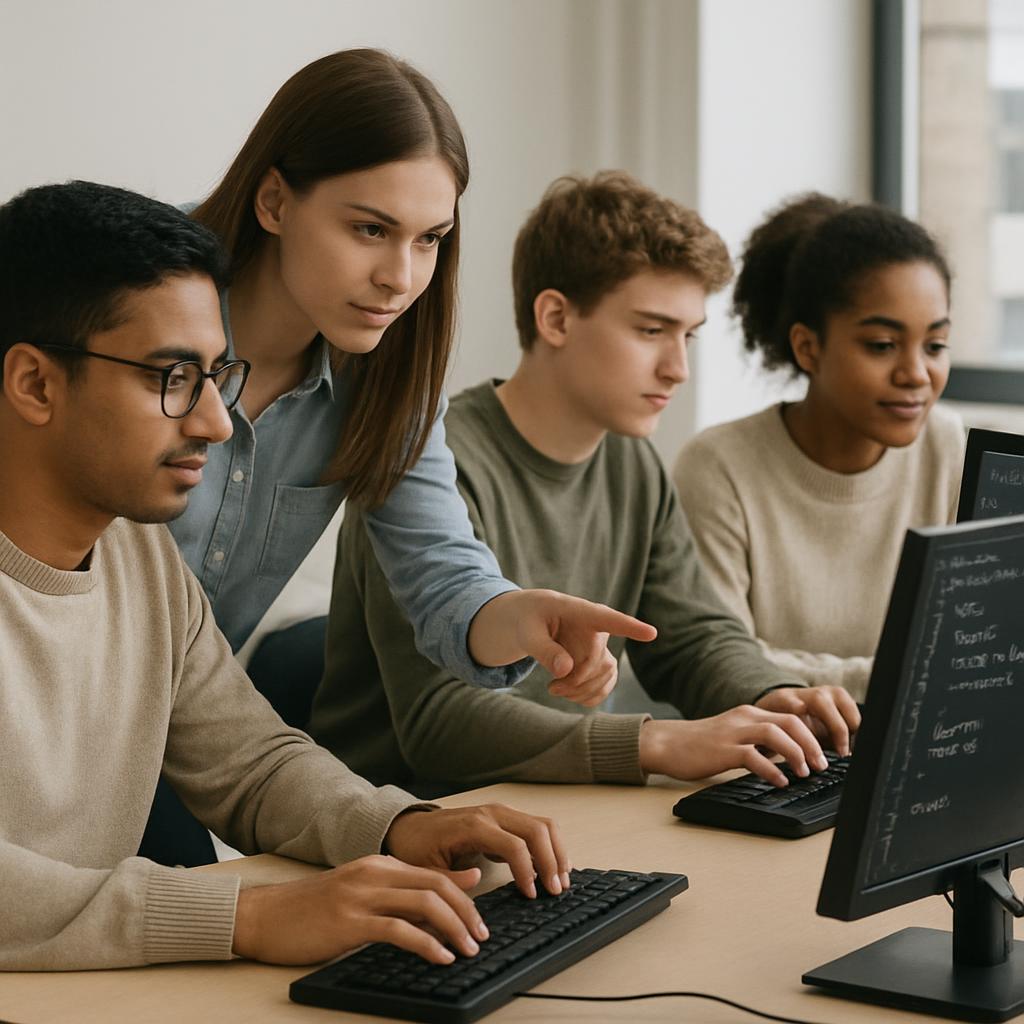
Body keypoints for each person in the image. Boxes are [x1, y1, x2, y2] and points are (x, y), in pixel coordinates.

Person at [0, 181, 572, 972]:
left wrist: (398, 826)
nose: (214, 421)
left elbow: (249, 763)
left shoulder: (139, 553)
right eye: (171, 377)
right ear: (35, 384)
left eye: (216, 376)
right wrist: (247, 914)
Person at [145, 48, 655, 865]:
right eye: (370, 229)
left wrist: (521, 619)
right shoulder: (131, 296)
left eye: (431, 241)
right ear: (274, 199)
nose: (400, 276)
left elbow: (446, 579)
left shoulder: (389, 379)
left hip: (178, 729)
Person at [307, 172, 860, 795]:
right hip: (404, 827)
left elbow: (693, 636)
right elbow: (440, 724)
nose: (678, 368)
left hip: (569, 812)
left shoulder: (633, 463)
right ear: (556, 318)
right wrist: (654, 743)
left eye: (688, 335)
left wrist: (772, 695)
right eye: (651, 330)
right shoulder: (425, 459)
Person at [673, 193, 965, 700]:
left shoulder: (946, 448)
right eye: (882, 345)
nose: (916, 374)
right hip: (765, 756)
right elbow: (718, 656)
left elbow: (972, 644)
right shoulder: (718, 468)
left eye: (935, 345)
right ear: (809, 347)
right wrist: (900, 677)